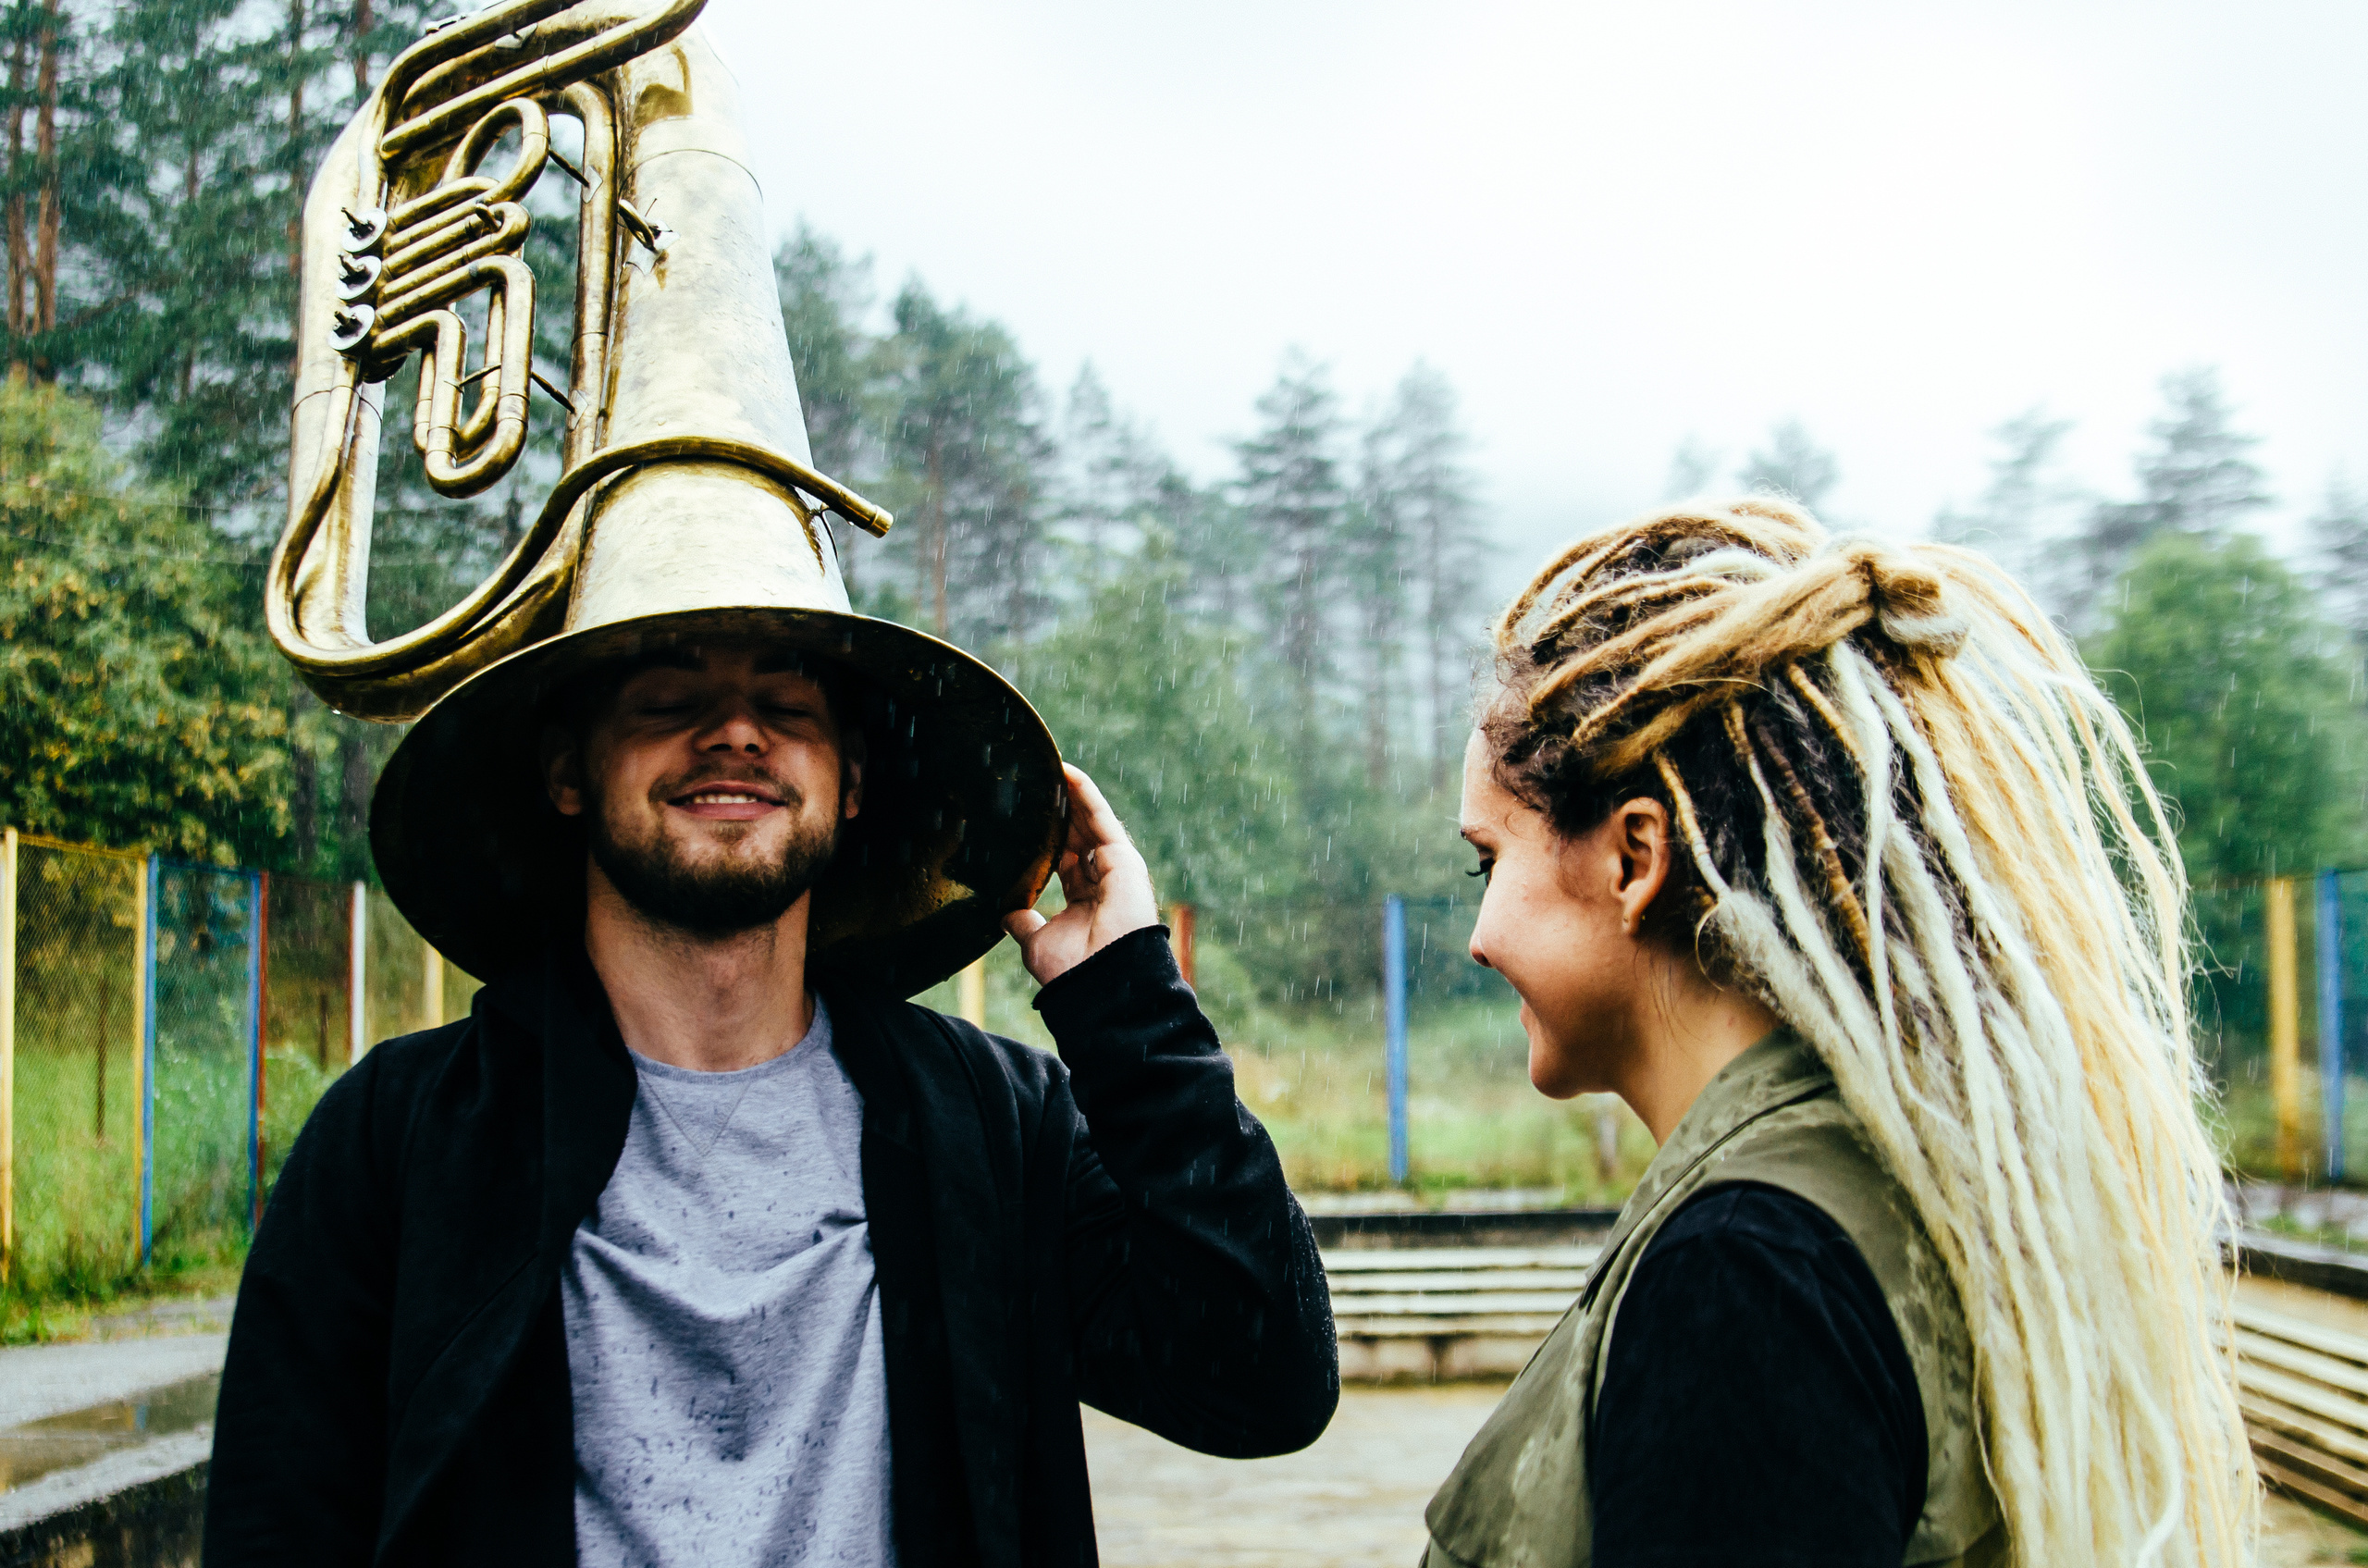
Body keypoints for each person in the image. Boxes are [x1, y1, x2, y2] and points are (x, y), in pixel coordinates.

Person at [203, 638, 1338, 1567]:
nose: (734, 730)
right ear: (566, 770)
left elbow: (1260, 1386)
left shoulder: (991, 1125)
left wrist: (1126, 1000)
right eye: (669, 695)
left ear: (848, 784)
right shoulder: (398, 1140)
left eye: (784, 704)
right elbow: (277, 1529)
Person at [1422, 499, 2252, 1567]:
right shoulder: (1873, 1189)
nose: (1478, 938)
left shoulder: (1744, 1282)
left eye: (1489, 862)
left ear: (1634, 857)